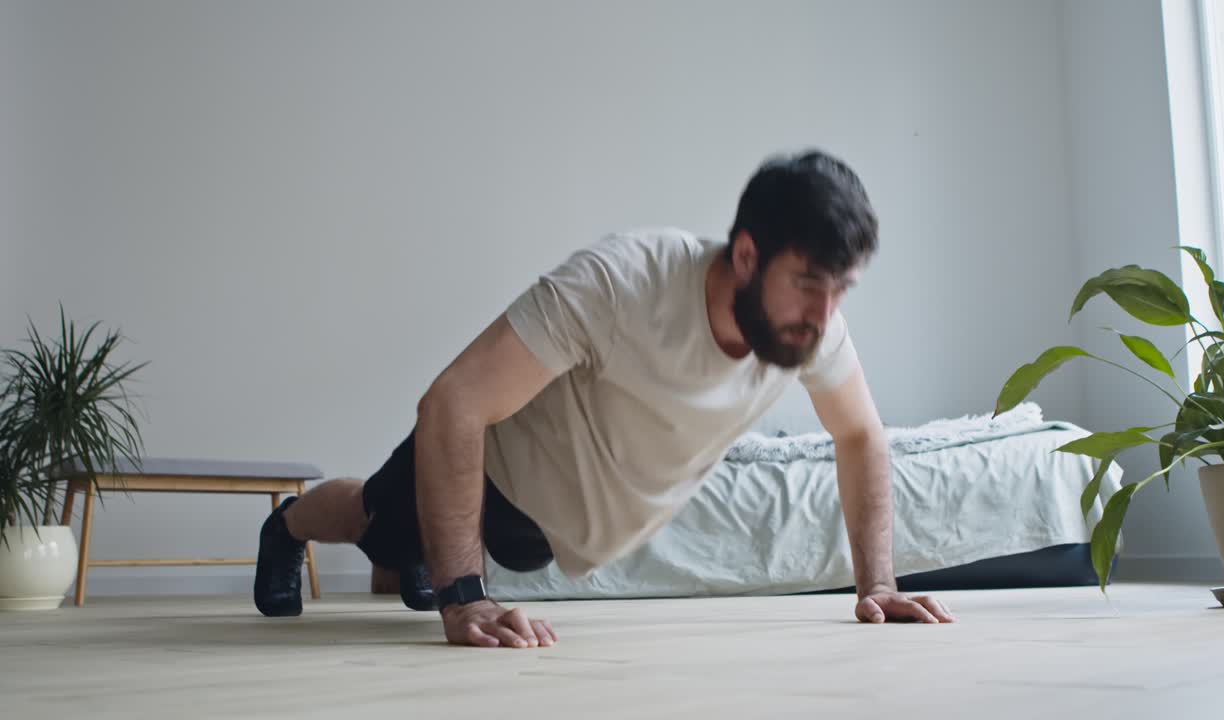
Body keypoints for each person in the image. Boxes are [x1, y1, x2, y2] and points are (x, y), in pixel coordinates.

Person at [253, 149, 956, 648]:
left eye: (841, 289)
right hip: (485, 470)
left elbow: (860, 435)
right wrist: (463, 596)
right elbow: (453, 404)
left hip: (542, 533)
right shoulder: (623, 284)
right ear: (746, 256)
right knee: (375, 521)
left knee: (433, 546)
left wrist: (877, 585)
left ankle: (413, 556)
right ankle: (286, 526)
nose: (825, 313)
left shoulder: (810, 331)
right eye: (807, 283)